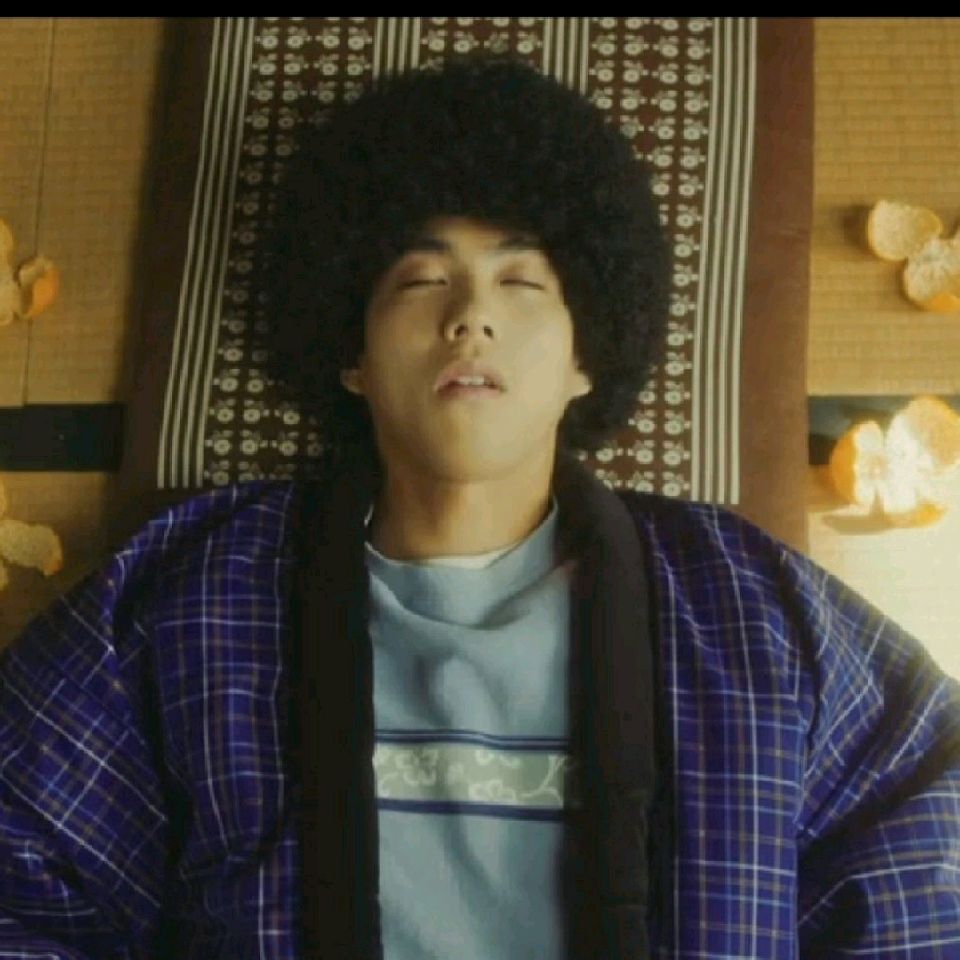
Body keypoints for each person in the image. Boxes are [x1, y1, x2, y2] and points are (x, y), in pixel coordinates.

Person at [0, 55, 958, 960]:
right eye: (421, 281)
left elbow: (927, 817)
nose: (470, 316)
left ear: (587, 356)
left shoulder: (746, 607)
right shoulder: (196, 596)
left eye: (521, 281)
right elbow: (20, 856)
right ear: (352, 354)